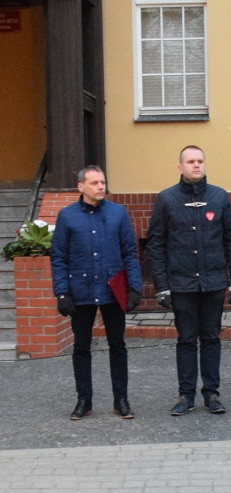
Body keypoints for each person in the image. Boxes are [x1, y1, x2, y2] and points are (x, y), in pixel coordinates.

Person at [148, 145, 231, 416]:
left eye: (200, 161)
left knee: (211, 338)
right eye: (190, 161)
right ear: (180, 166)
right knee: (186, 340)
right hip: (181, 283)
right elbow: (156, 244)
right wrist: (162, 285)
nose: (196, 165)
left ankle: (212, 393)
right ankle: (186, 395)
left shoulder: (218, 197)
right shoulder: (166, 199)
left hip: (213, 282)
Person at [50, 165, 143, 420]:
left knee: (118, 345)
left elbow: (129, 253)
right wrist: (61, 292)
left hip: (112, 289)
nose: (101, 187)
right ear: (81, 186)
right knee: (81, 346)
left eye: (102, 182)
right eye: (94, 183)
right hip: (80, 291)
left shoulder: (118, 214)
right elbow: (59, 257)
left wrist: (134, 287)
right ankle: (84, 400)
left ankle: (121, 400)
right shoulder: (67, 216)